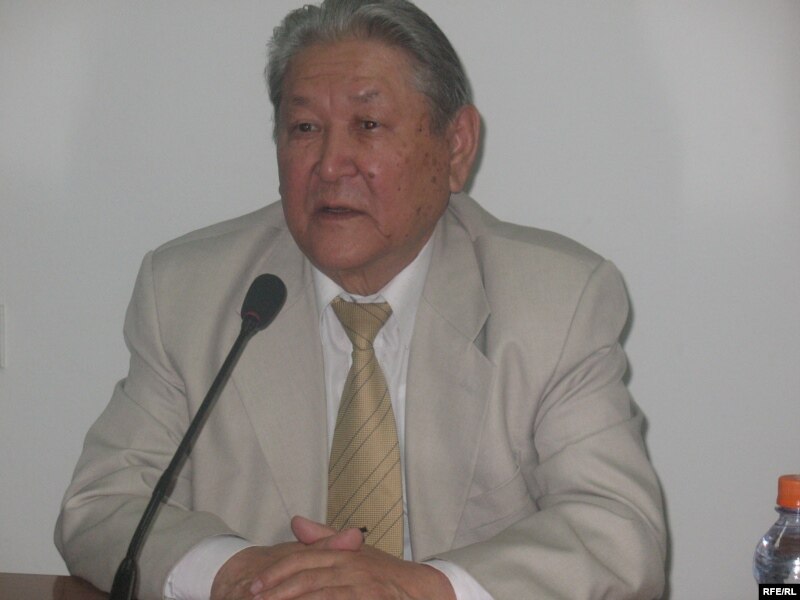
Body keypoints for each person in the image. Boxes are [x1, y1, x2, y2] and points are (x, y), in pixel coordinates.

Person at [55, 1, 667, 598]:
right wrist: (235, 573)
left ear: (456, 146)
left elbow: (617, 531)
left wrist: (421, 588)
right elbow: (102, 504)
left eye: (368, 126)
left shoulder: (556, 301)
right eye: (305, 129)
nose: (330, 165)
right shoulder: (188, 293)